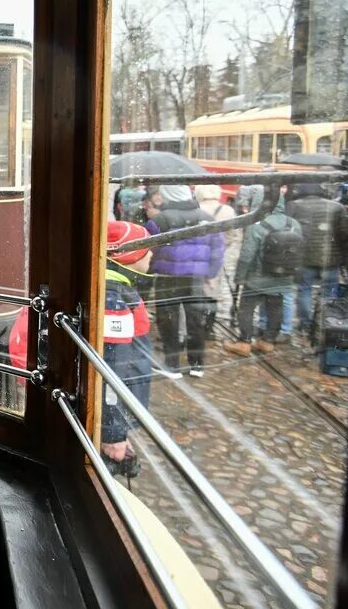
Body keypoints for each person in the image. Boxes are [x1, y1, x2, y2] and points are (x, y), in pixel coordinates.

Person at [144, 184, 224, 377]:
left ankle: (172, 364)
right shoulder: (207, 218)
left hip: (167, 277)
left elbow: (147, 248)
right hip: (195, 278)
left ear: (167, 196)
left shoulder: (160, 220)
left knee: (168, 320)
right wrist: (210, 272)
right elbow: (217, 247)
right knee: (195, 320)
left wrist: (150, 269)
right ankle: (197, 364)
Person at [100, 221, 155, 477]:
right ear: (127, 256)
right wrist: (113, 434)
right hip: (110, 418)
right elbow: (110, 371)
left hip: (113, 412)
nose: (152, 254)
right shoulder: (114, 298)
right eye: (146, 249)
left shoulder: (117, 289)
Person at [227, 194, 304, 356]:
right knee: (275, 308)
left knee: (246, 309)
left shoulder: (257, 224)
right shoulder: (294, 223)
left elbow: (247, 254)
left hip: (257, 277)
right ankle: (268, 341)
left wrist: (239, 277)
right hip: (283, 276)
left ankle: (244, 342)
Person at [286, 182, 348, 336]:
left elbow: (288, 230)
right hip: (331, 258)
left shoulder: (293, 205)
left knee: (304, 290)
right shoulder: (337, 207)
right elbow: (345, 233)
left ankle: (305, 324)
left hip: (304, 257)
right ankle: (326, 322)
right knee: (330, 291)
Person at [194, 184, 239, 331]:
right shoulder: (228, 210)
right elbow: (233, 235)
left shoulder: (196, 209)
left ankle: (195, 323)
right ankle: (209, 326)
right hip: (216, 256)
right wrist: (222, 246)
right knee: (212, 290)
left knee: (195, 289)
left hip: (196, 256)